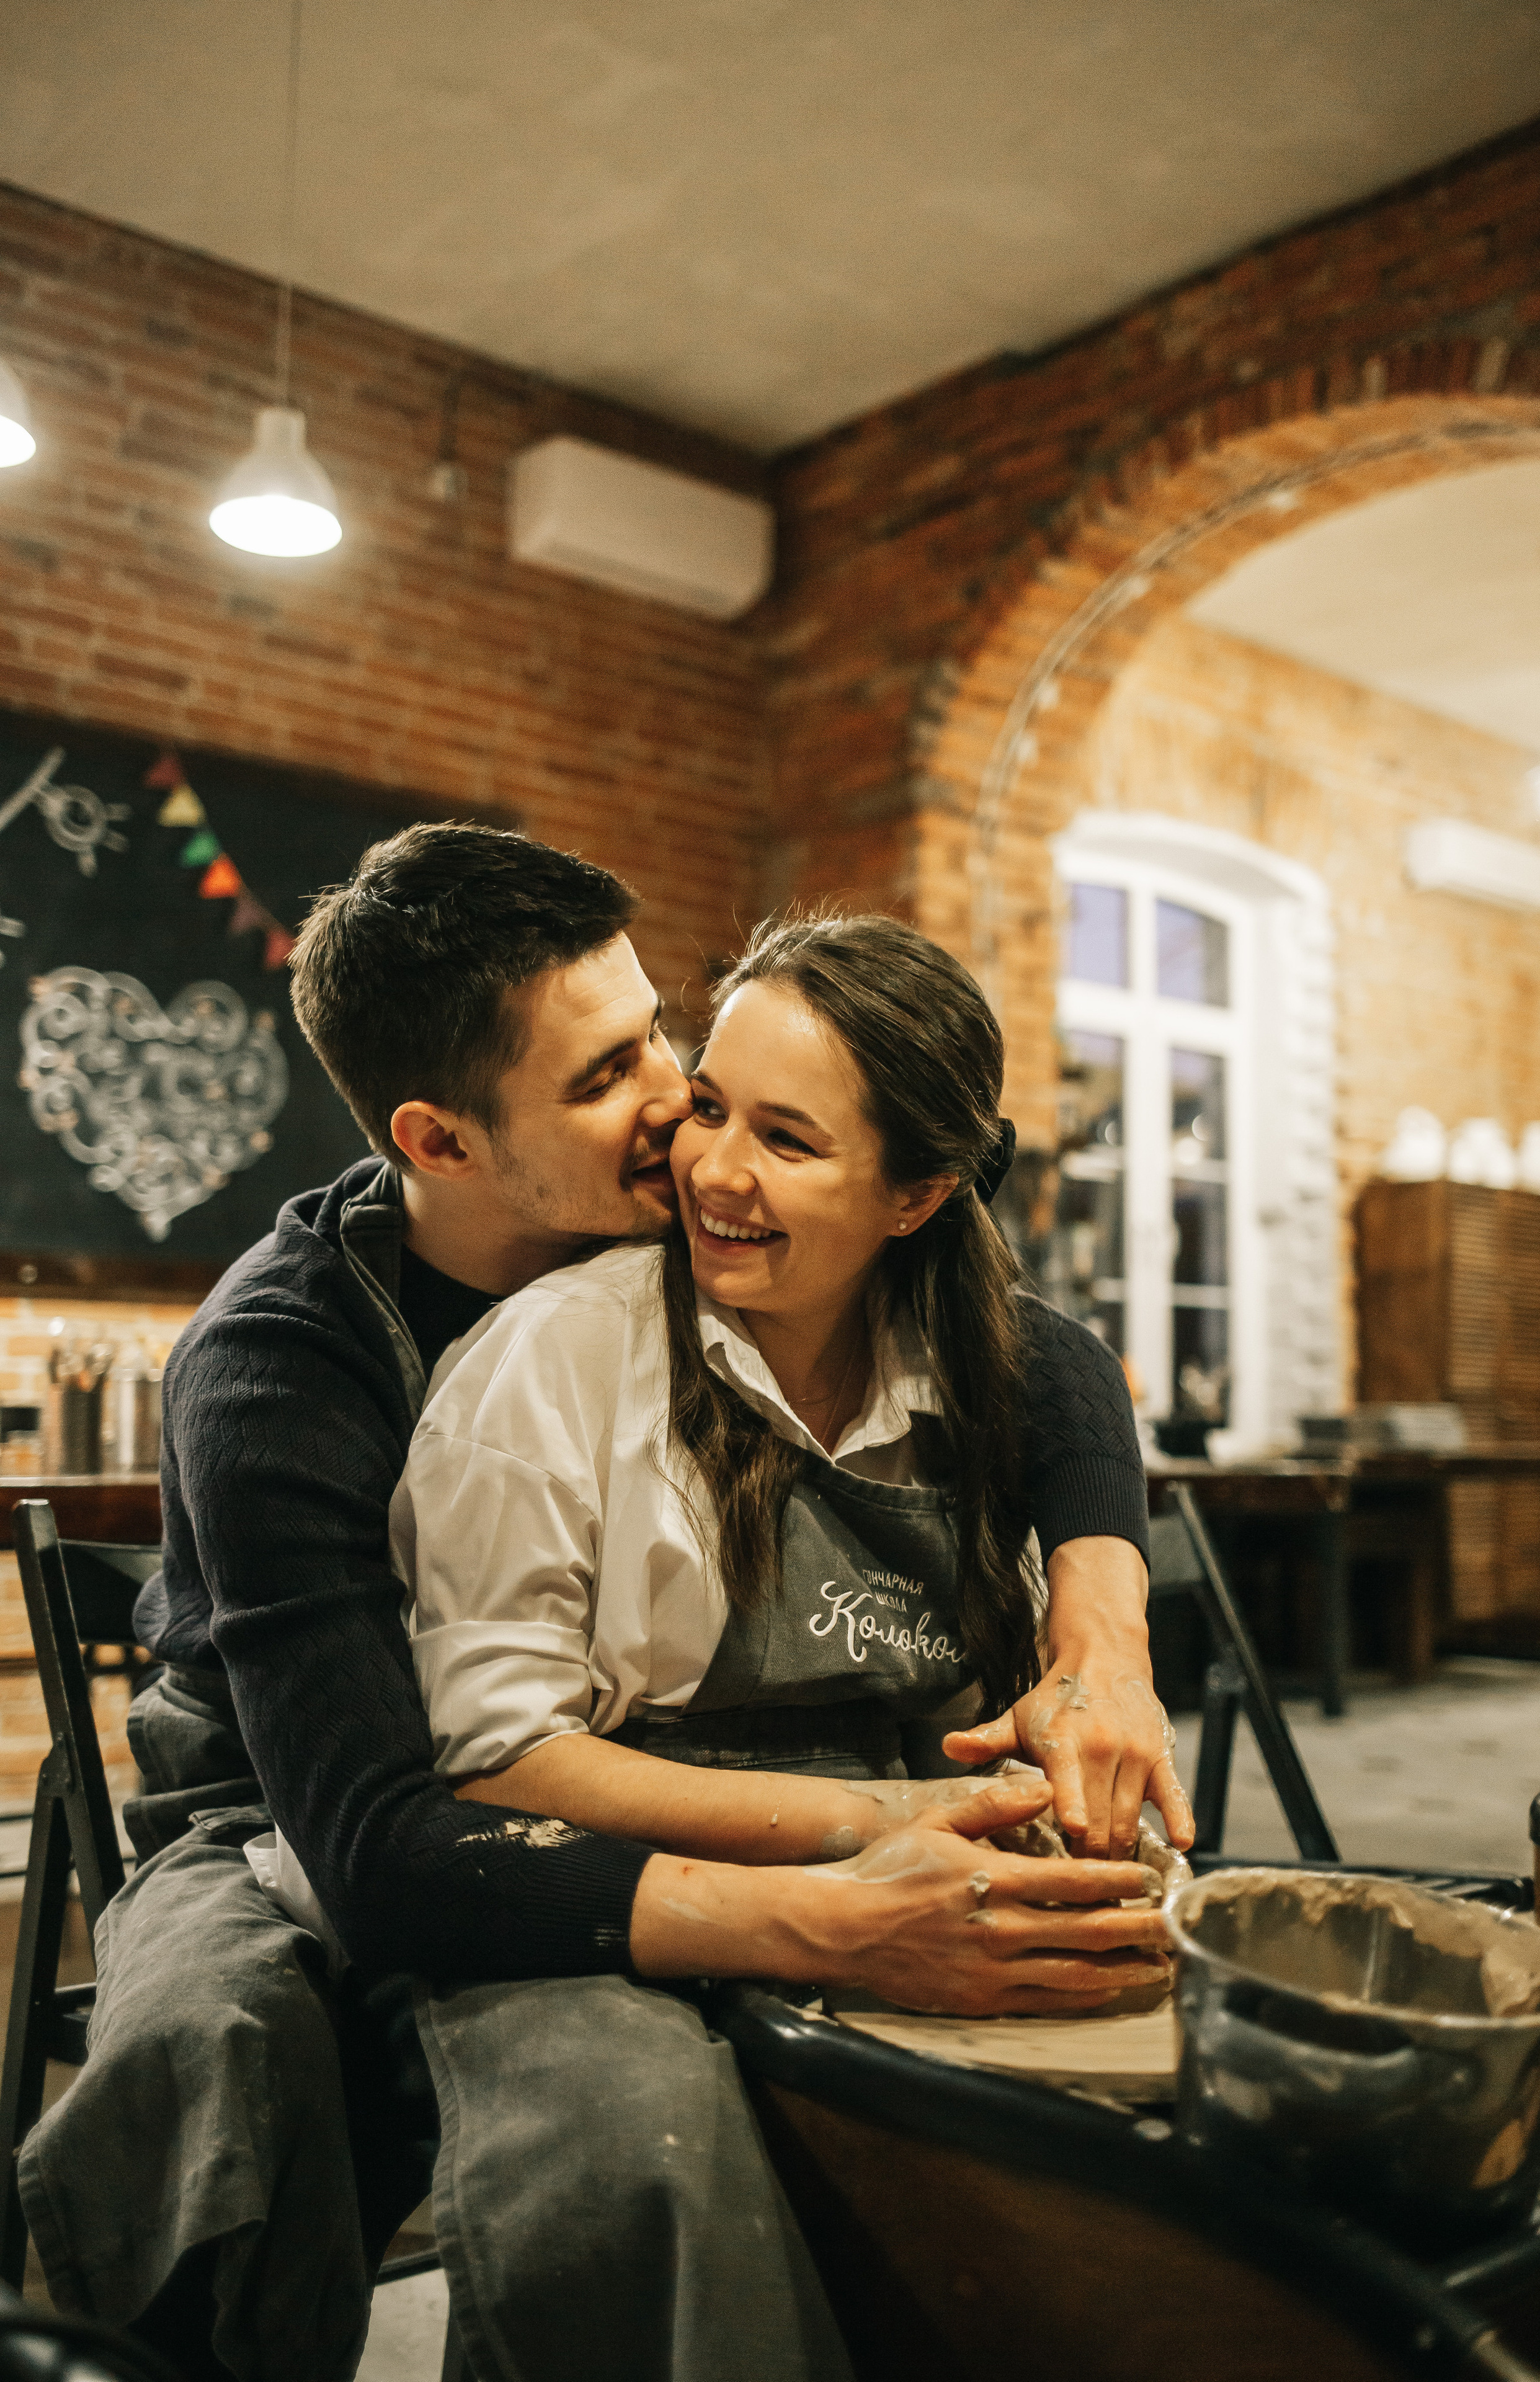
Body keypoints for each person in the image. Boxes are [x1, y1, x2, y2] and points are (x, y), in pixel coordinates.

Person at [18, 826, 1180, 2382]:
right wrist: (841, 1899)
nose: (674, 1118)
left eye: (660, 1040)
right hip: (292, 1798)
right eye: (602, 1081)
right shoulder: (281, 1364)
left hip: (589, 1762)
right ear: (439, 1142)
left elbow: (1028, 1341)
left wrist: (1100, 1633)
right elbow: (380, 1844)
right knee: (228, 2060)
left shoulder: (694, 1238)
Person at [378, 911, 1182, 2380]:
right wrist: (893, 1819)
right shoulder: (549, 1362)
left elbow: (1068, 1376)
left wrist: (1080, 1713)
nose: (712, 1169)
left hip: (908, 1818)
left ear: (919, 1192)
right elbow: (496, 1758)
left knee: (1111, 2136)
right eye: (712, 1109)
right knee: (649, 2162)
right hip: (593, 1862)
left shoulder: (988, 1365)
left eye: (789, 1140)